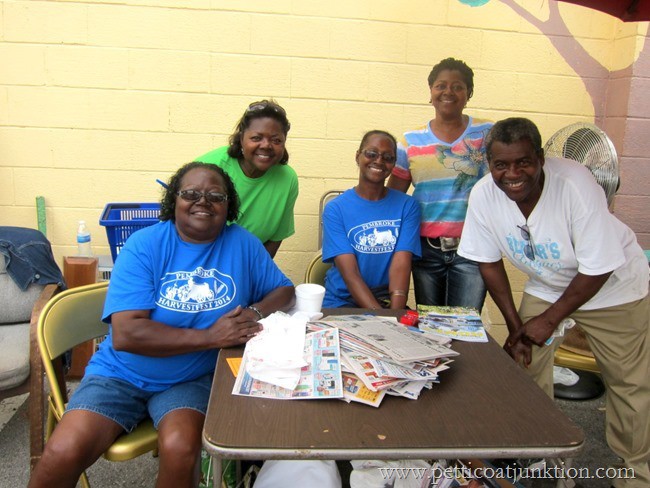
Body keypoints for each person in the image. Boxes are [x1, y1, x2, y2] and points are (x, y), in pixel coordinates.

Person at [29, 162, 295, 488]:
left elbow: (284, 290)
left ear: (229, 206)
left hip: (190, 377)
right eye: (191, 194)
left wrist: (254, 311)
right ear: (174, 201)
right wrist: (211, 336)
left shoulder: (242, 243)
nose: (203, 201)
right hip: (120, 373)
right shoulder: (145, 245)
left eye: (215, 195)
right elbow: (127, 334)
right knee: (62, 451)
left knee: (181, 448)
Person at [457, 117, 650, 488]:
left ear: (541, 158)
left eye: (523, 162)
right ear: (489, 164)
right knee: (523, 364)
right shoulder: (483, 194)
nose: (513, 173)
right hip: (549, 283)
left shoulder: (576, 185)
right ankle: (542, 456)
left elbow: (596, 269)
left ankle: (634, 474)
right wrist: (517, 328)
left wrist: (548, 321)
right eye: (501, 164)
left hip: (614, 286)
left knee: (629, 383)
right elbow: (488, 261)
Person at [388, 57, 492, 310]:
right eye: (440, 85)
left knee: (465, 325)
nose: (448, 91)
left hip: (474, 248)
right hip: (427, 250)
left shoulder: (488, 134)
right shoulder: (410, 141)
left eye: (457, 86)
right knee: (432, 327)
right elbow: (394, 197)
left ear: (469, 94)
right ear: (431, 92)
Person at [322, 130, 421, 309]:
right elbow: (350, 274)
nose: (379, 161)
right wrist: (382, 320)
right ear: (358, 156)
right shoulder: (335, 209)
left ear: (393, 165)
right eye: (371, 154)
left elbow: (401, 264)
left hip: (386, 300)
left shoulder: (408, 206)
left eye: (388, 157)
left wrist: (395, 314)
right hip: (342, 301)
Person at [195, 99, 299, 258]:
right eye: (257, 138)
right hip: (201, 256)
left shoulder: (287, 179)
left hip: (247, 263)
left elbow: (275, 237)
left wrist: (255, 273)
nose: (266, 145)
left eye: (276, 140)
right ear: (241, 139)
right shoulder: (211, 167)